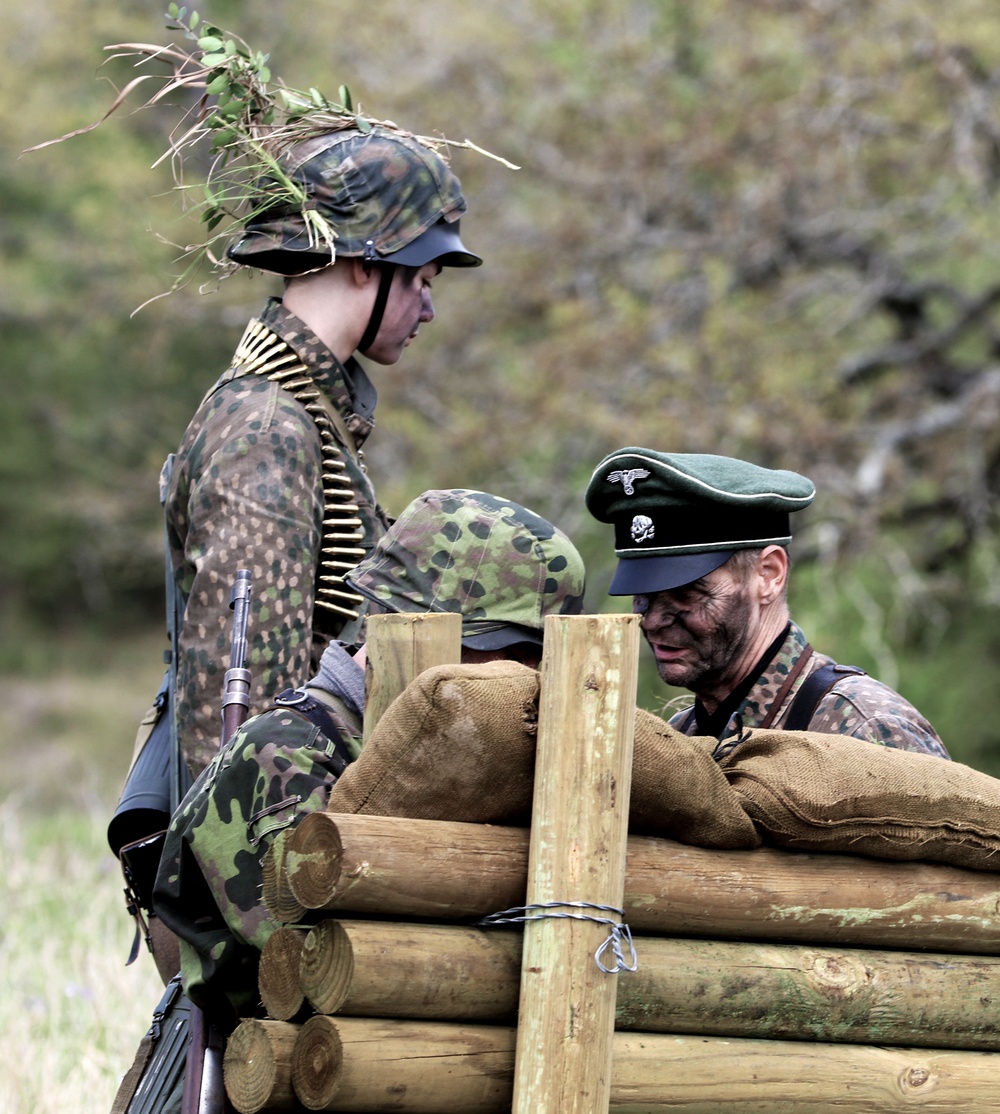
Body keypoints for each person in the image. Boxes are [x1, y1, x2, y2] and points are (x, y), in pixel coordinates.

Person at [153, 489, 586, 1020]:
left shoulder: (478, 739)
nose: (526, 673)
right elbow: (327, 962)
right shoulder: (287, 756)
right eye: (511, 648)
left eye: (538, 654)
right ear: (403, 625)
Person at [167, 127, 483, 779]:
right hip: (269, 841)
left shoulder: (308, 415)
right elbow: (245, 708)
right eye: (421, 280)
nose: (428, 309)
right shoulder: (268, 429)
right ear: (367, 263)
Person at [585, 447, 950, 757]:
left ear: (769, 575)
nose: (652, 621)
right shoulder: (681, 739)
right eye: (643, 598)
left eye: (686, 595)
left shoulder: (863, 730)